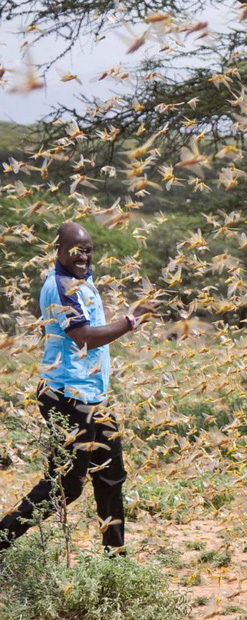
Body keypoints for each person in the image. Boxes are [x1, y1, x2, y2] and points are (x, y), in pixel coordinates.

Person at [0, 221, 154, 555]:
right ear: (58, 249)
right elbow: (84, 337)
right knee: (67, 485)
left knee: (112, 476)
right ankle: (1, 539)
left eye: (87, 249)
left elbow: (55, 322)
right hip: (68, 398)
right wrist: (128, 322)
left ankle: (115, 559)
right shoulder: (61, 285)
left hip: (92, 398)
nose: (83, 255)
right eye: (76, 249)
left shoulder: (80, 281)